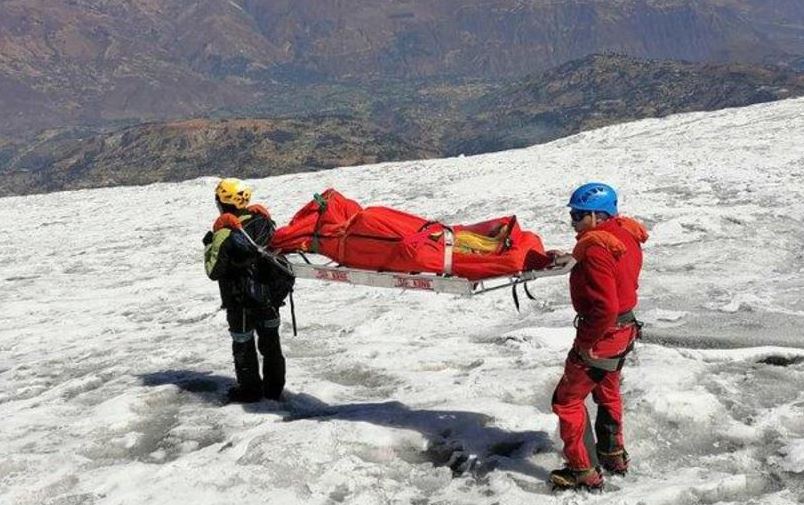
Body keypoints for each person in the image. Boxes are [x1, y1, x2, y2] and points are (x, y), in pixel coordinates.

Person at [548, 182, 649, 490]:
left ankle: (582, 470)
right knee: (607, 391)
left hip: (603, 335)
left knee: (567, 400)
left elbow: (604, 307)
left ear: (596, 215)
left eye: (578, 215)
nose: (574, 222)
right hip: (624, 330)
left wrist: (586, 344)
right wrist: (574, 257)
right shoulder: (624, 234)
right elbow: (614, 269)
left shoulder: (595, 249)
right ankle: (612, 453)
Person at [203, 178, 288, 403]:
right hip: (269, 299)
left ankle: (250, 392)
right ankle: (274, 390)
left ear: (222, 202)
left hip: (240, 301)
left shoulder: (224, 232)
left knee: (244, 345)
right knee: (271, 344)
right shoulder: (264, 221)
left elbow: (213, 271)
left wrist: (209, 245)